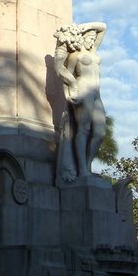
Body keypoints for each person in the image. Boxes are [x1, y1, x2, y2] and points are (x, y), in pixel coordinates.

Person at [54, 22, 108, 182]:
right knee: (83, 129)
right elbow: (65, 72)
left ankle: (87, 165)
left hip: (96, 93)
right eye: (89, 38)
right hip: (84, 91)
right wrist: (70, 90)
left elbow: (102, 27)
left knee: (99, 133)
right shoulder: (75, 56)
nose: (91, 41)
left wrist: (84, 28)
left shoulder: (94, 51)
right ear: (82, 39)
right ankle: (83, 169)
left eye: (93, 38)